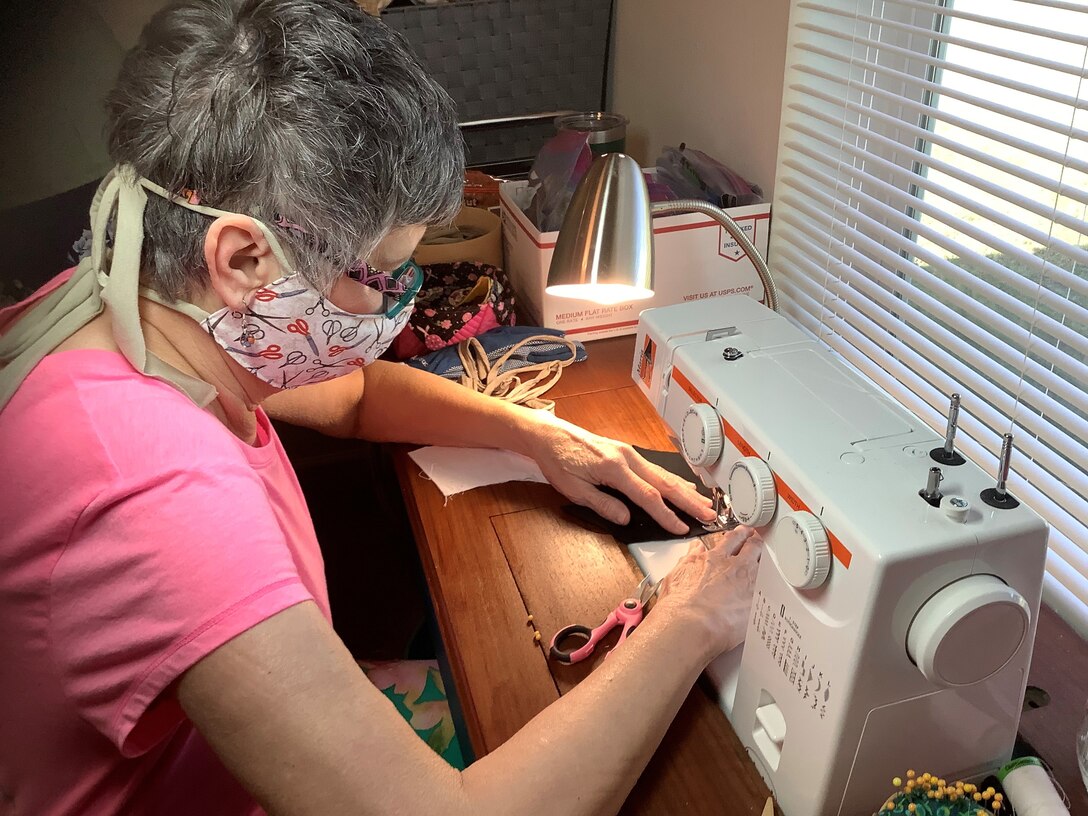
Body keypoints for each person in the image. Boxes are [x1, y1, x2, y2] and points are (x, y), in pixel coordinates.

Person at [0, 1, 763, 814]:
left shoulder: (133, 301)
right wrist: (693, 619)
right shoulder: (160, 493)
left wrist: (540, 436)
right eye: (378, 275)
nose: (400, 304)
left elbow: (357, 397)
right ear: (244, 258)